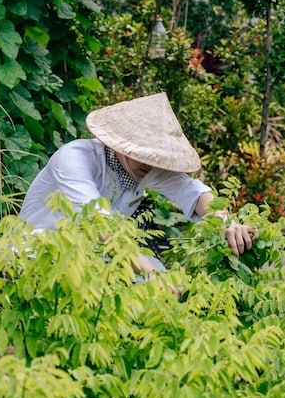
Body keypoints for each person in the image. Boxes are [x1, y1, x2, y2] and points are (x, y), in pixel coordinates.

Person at [19, 92, 256, 272]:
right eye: (143, 153)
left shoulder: (146, 166)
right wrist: (149, 272)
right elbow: (98, 223)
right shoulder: (75, 158)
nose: (150, 163)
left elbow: (191, 191)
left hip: (90, 263)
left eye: (155, 155)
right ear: (121, 142)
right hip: (35, 260)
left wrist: (225, 222)